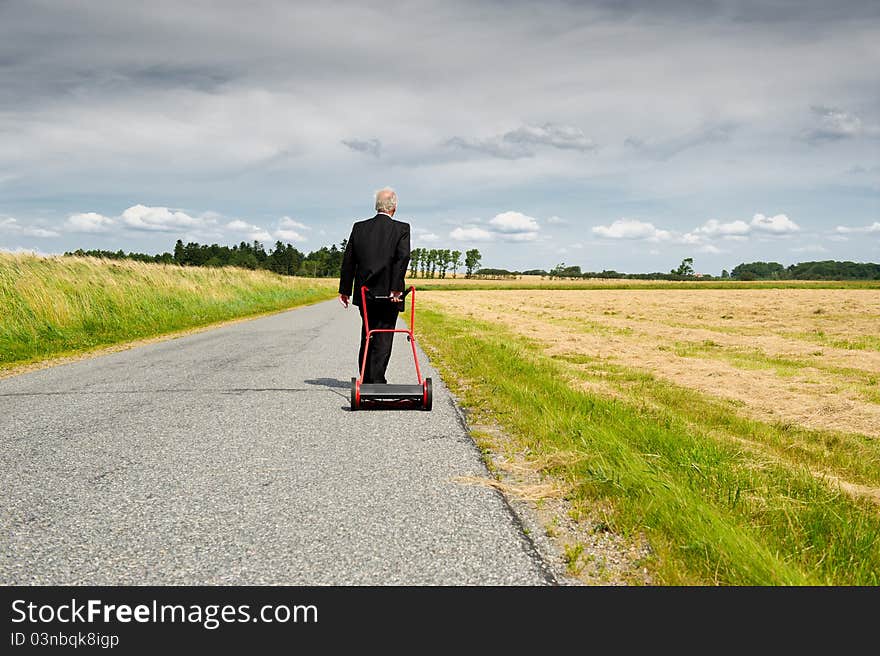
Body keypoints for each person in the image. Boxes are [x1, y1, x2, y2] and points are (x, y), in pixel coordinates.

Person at [338, 187, 411, 384]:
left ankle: (367, 377)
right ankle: (376, 381)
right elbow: (403, 257)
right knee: (384, 334)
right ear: (394, 208)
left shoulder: (359, 227)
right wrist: (396, 287)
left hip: (365, 293)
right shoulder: (402, 229)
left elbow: (349, 261)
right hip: (390, 293)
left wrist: (344, 290)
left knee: (368, 332)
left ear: (376, 206)